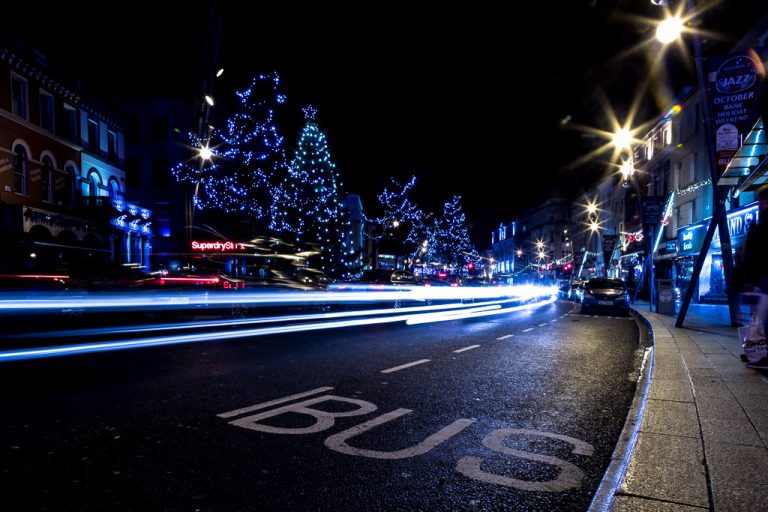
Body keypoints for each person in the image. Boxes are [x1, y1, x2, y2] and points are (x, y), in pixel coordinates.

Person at [739, 186, 768, 368]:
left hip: (764, 277)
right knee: (758, 318)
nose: (758, 205)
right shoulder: (760, 224)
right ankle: (755, 351)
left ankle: (761, 355)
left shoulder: (763, 224)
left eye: (760, 201)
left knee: (763, 318)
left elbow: (758, 253)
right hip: (760, 277)